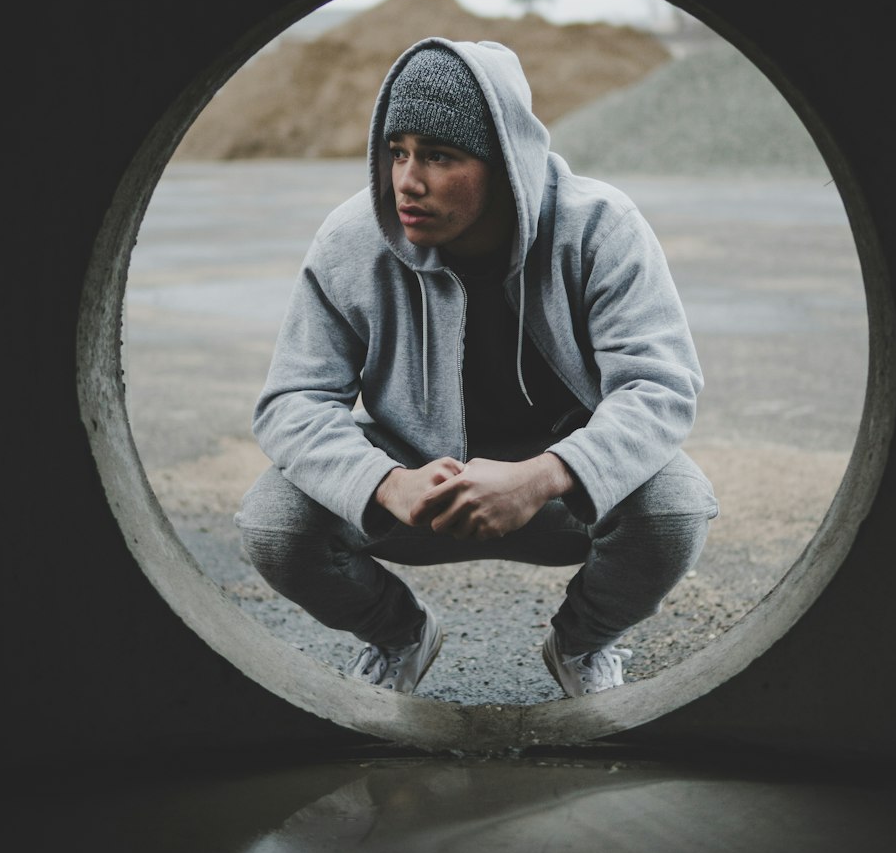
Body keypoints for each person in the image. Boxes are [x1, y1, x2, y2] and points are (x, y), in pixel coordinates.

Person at [236, 37, 718, 697]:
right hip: (416, 488)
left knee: (674, 507)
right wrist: (385, 483)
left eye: (438, 155)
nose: (407, 180)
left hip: (554, 495)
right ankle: (398, 633)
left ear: (505, 162)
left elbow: (659, 386)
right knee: (274, 522)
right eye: (396, 152)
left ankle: (583, 644)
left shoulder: (600, 227)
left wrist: (539, 477)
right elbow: (293, 400)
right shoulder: (352, 240)